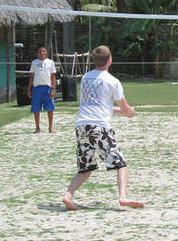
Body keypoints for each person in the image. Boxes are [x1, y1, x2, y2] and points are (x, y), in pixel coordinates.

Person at [62, 45, 144, 210]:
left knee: (86, 167)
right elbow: (125, 106)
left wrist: (122, 112)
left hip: (81, 125)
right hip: (99, 126)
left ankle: (68, 195)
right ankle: (123, 197)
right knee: (121, 164)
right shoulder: (113, 81)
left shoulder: (85, 78)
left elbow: (97, 105)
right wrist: (129, 112)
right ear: (110, 60)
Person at [28, 45, 56, 133]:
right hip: (37, 88)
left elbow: (53, 77)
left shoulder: (50, 62)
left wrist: (53, 89)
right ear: (37, 53)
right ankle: (37, 127)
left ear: (46, 52)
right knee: (36, 109)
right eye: (40, 51)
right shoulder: (34, 63)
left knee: (50, 108)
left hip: (47, 88)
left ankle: (50, 127)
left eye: (43, 51)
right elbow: (31, 77)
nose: (42, 53)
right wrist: (29, 89)